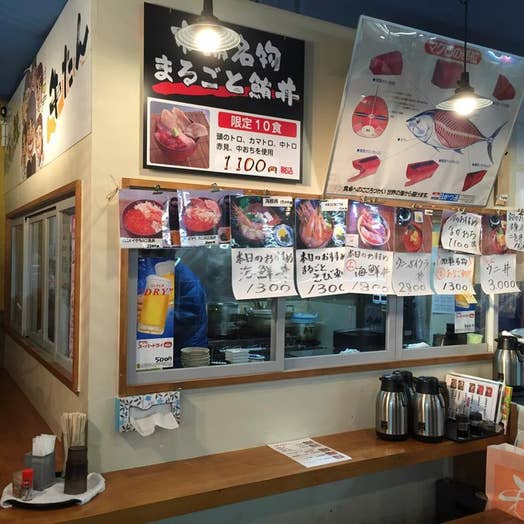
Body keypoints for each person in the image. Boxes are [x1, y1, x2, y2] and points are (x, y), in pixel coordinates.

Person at [137, 253, 208, 368]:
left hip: (186, 355)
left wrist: (150, 312)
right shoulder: (162, 275)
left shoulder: (186, 280)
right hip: (170, 351)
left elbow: (187, 317)